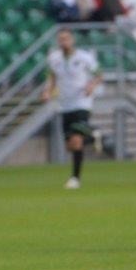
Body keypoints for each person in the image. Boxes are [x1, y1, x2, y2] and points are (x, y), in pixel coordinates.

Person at [43, 28, 102, 189]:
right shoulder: (54, 59)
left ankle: (75, 178)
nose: (64, 42)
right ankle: (93, 135)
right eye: (61, 39)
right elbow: (52, 78)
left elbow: (99, 74)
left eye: (67, 39)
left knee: (76, 141)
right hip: (64, 104)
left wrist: (91, 85)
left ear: (72, 40)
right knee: (71, 145)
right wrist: (47, 91)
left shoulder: (84, 57)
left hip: (82, 102)